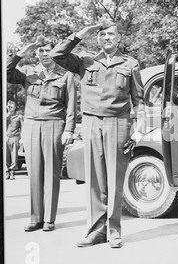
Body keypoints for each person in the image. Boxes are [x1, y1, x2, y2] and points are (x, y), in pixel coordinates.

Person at [50, 20, 146, 248]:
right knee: (94, 178)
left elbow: (139, 101)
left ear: (119, 38)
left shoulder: (130, 64)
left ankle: (114, 231)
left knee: (115, 178)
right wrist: (78, 34)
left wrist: (138, 131)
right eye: (102, 35)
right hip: (92, 122)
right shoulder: (85, 60)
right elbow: (57, 55)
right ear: (97, 38)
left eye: (111, 34)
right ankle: (96, 231)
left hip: (118, 123)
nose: (106, 38)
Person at [7, 36, 77, 232]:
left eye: (48, 50)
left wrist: (69, 129)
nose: (45, 54)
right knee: (34, 173)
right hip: (30, 125)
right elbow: (6, 72)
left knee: (52, 174)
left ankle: (49, 219)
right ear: (36, 54)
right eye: (41, 51)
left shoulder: (66, 75)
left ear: (54, 52)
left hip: (54, 125)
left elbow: (71, 106)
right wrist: (22, 51)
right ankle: (35, 218)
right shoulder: (29, 72)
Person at [5, 100, 23, 180]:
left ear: (15, 107)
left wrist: (22, 138)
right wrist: (7, 113)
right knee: (6, 156)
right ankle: (7, 171)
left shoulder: (19, 116)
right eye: (8, 106)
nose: (10, 108)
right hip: (6, 137)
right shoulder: (6, 116)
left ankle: (12, 172)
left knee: (14, 156)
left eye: (11, 107)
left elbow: (22, 128)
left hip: (15, 137)